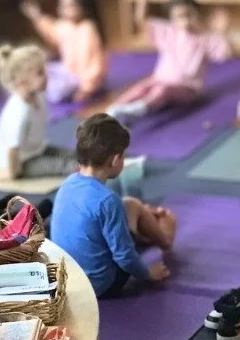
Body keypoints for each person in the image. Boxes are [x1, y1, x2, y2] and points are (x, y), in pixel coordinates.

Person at [51, 113, 174, 298]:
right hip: (101, 285)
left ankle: (146, 231)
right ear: (116, 160)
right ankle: (165, 240)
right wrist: (148, 274)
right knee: (135, 206)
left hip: (69, 280)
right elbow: (124, 257)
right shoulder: (108, 200)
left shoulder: (68, 183)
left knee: (130, 205)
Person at [107, 0, 231, 123]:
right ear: (172, 18)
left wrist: (221, 32)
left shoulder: (205, 38)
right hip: (161, 78)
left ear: (197, 14)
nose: (185, 21)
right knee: (141, 88)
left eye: (188, 15)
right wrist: (143, 0)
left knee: (162, 90)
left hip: (188, 88)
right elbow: (141, 21)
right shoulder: (168, 32)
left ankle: (140, 108)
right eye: (179, 16)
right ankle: (113, 109)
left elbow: (224, 54)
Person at [0, 43, 76, 180]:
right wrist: (11, 173)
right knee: (65, 165)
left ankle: (89, 162)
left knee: (74, 154)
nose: (47, 76)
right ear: (21, 82)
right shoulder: (18, 112)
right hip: (23, 162)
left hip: (38, 150)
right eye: (40, 73)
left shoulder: (38, 96)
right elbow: (11, 148)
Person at [21, 0, 108, 103]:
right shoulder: (65, 26)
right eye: (62, 5)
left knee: (56, 90)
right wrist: (36, 15)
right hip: (67, 73)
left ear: (83, 6)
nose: (64, 9)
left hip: (82, 80)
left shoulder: (88, 29)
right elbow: (50, 30)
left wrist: (86, 88)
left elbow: (96, 64)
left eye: (70, 5)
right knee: (36, 68)